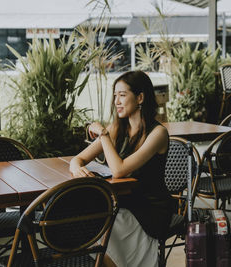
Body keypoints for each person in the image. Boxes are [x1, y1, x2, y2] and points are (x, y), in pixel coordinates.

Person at [70, 71, 174, 267]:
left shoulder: (158, 133)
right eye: (115, 95)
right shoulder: (118, 128)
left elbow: (119, 170)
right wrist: (77, 168)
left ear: (140, 98)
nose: (116, 101)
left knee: (99, 222)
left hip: (149, 210)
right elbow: (79, 159)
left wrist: (103, 134)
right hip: (124, 202)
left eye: (122, 95)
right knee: (86, 216)